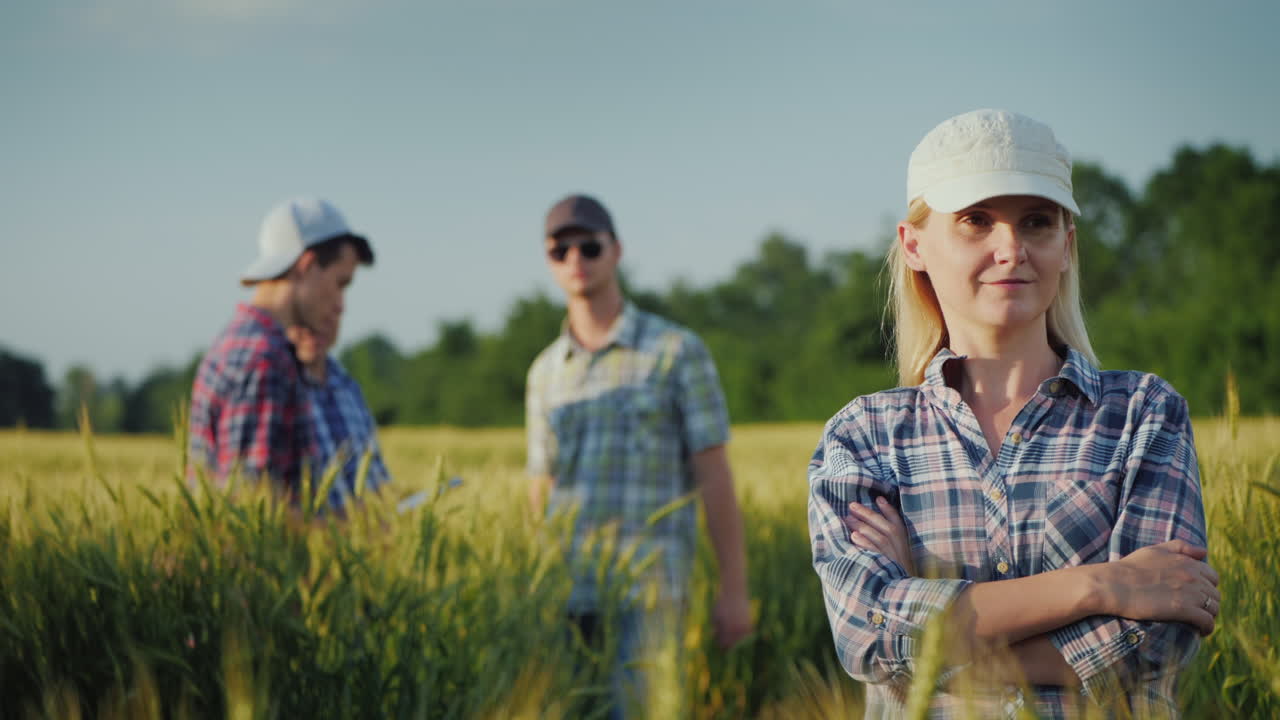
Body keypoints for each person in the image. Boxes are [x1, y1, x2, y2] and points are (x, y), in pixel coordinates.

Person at [807, 110, 1218, 718]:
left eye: (1037, 222)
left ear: (1066, 245)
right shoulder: (865, 437)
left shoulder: (1142, 415)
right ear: (914, 245)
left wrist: (928, 637)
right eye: (976, 221)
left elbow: (1159, 640)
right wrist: (1100, 585)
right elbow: (864, 635)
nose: (1012, 249)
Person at [525, 194, 754, 717]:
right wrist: (532, 585)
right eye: (560, 251)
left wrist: (733, 592)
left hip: (651, 593)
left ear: (616, 250)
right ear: (548, 262)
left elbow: (714, 475)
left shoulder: (676, 351)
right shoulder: (544, 372)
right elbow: (541, 484)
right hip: (567, 593)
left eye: (589, 246)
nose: (576, 260)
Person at [189, 197, 374, 499]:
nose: (341, 304)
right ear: (306, 265)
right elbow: (251, 512)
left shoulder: (253, 346)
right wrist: (355, 529)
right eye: (340, 283)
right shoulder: (263, 360)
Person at [287, 322, 392, 511]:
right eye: (301, 320)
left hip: (369, 534)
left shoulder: (349, 387)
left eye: (321, 317)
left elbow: (376, 472)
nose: (310, 331)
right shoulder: (280, 391)